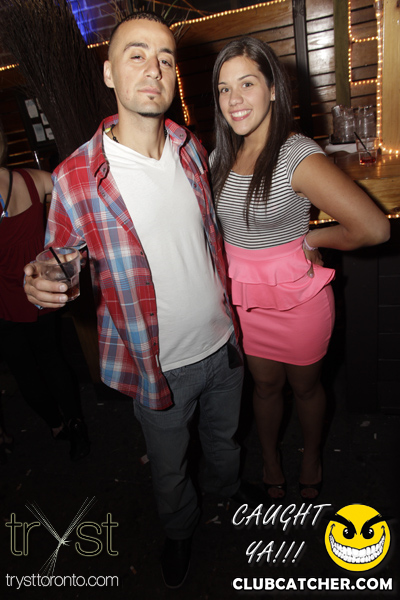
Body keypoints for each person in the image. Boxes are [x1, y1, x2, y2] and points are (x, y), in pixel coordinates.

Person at [23, 13, 266, 589]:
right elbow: (59, 261)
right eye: (136, 54)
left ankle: (229, 493)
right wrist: (42, 280)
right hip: (158, 368)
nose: (153, 68)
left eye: (164, 57)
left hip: (223, 345)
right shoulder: (76, 177)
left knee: (225, 442)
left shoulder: (189, 146)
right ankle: (179, 531)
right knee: (169, 468)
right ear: (109, 73)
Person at [210, 37, 390, 502]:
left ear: (273, 89)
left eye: (247, 84)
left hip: (299, 298)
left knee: (307, 390)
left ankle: (311, 457)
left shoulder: (295, 154)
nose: (234, 99)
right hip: (247, 301)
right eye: (224, 89)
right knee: (265, 388)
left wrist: (312, 239)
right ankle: (271, 460)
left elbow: (374, 228)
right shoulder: (219, 158)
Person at [0, 120, 90, 462]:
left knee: (25, 371)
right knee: (53, 359)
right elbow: (71, 193)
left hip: (5, 302)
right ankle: (76, 423)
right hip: (41, 292)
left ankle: (56, 425)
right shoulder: (33, 179)